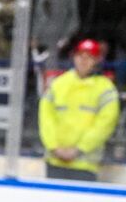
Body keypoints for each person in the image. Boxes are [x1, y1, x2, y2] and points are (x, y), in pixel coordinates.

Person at [38, 39, 121, 181]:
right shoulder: (58, 84)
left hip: (85, 164)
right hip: (55, 161)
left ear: (96, 60)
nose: (83, 61)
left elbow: (105, 124)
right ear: (74, 57)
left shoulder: (106, 89)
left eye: (89, 57)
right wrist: (53, 147)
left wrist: (79, 149)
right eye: (80, 56)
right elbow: (46, 118)